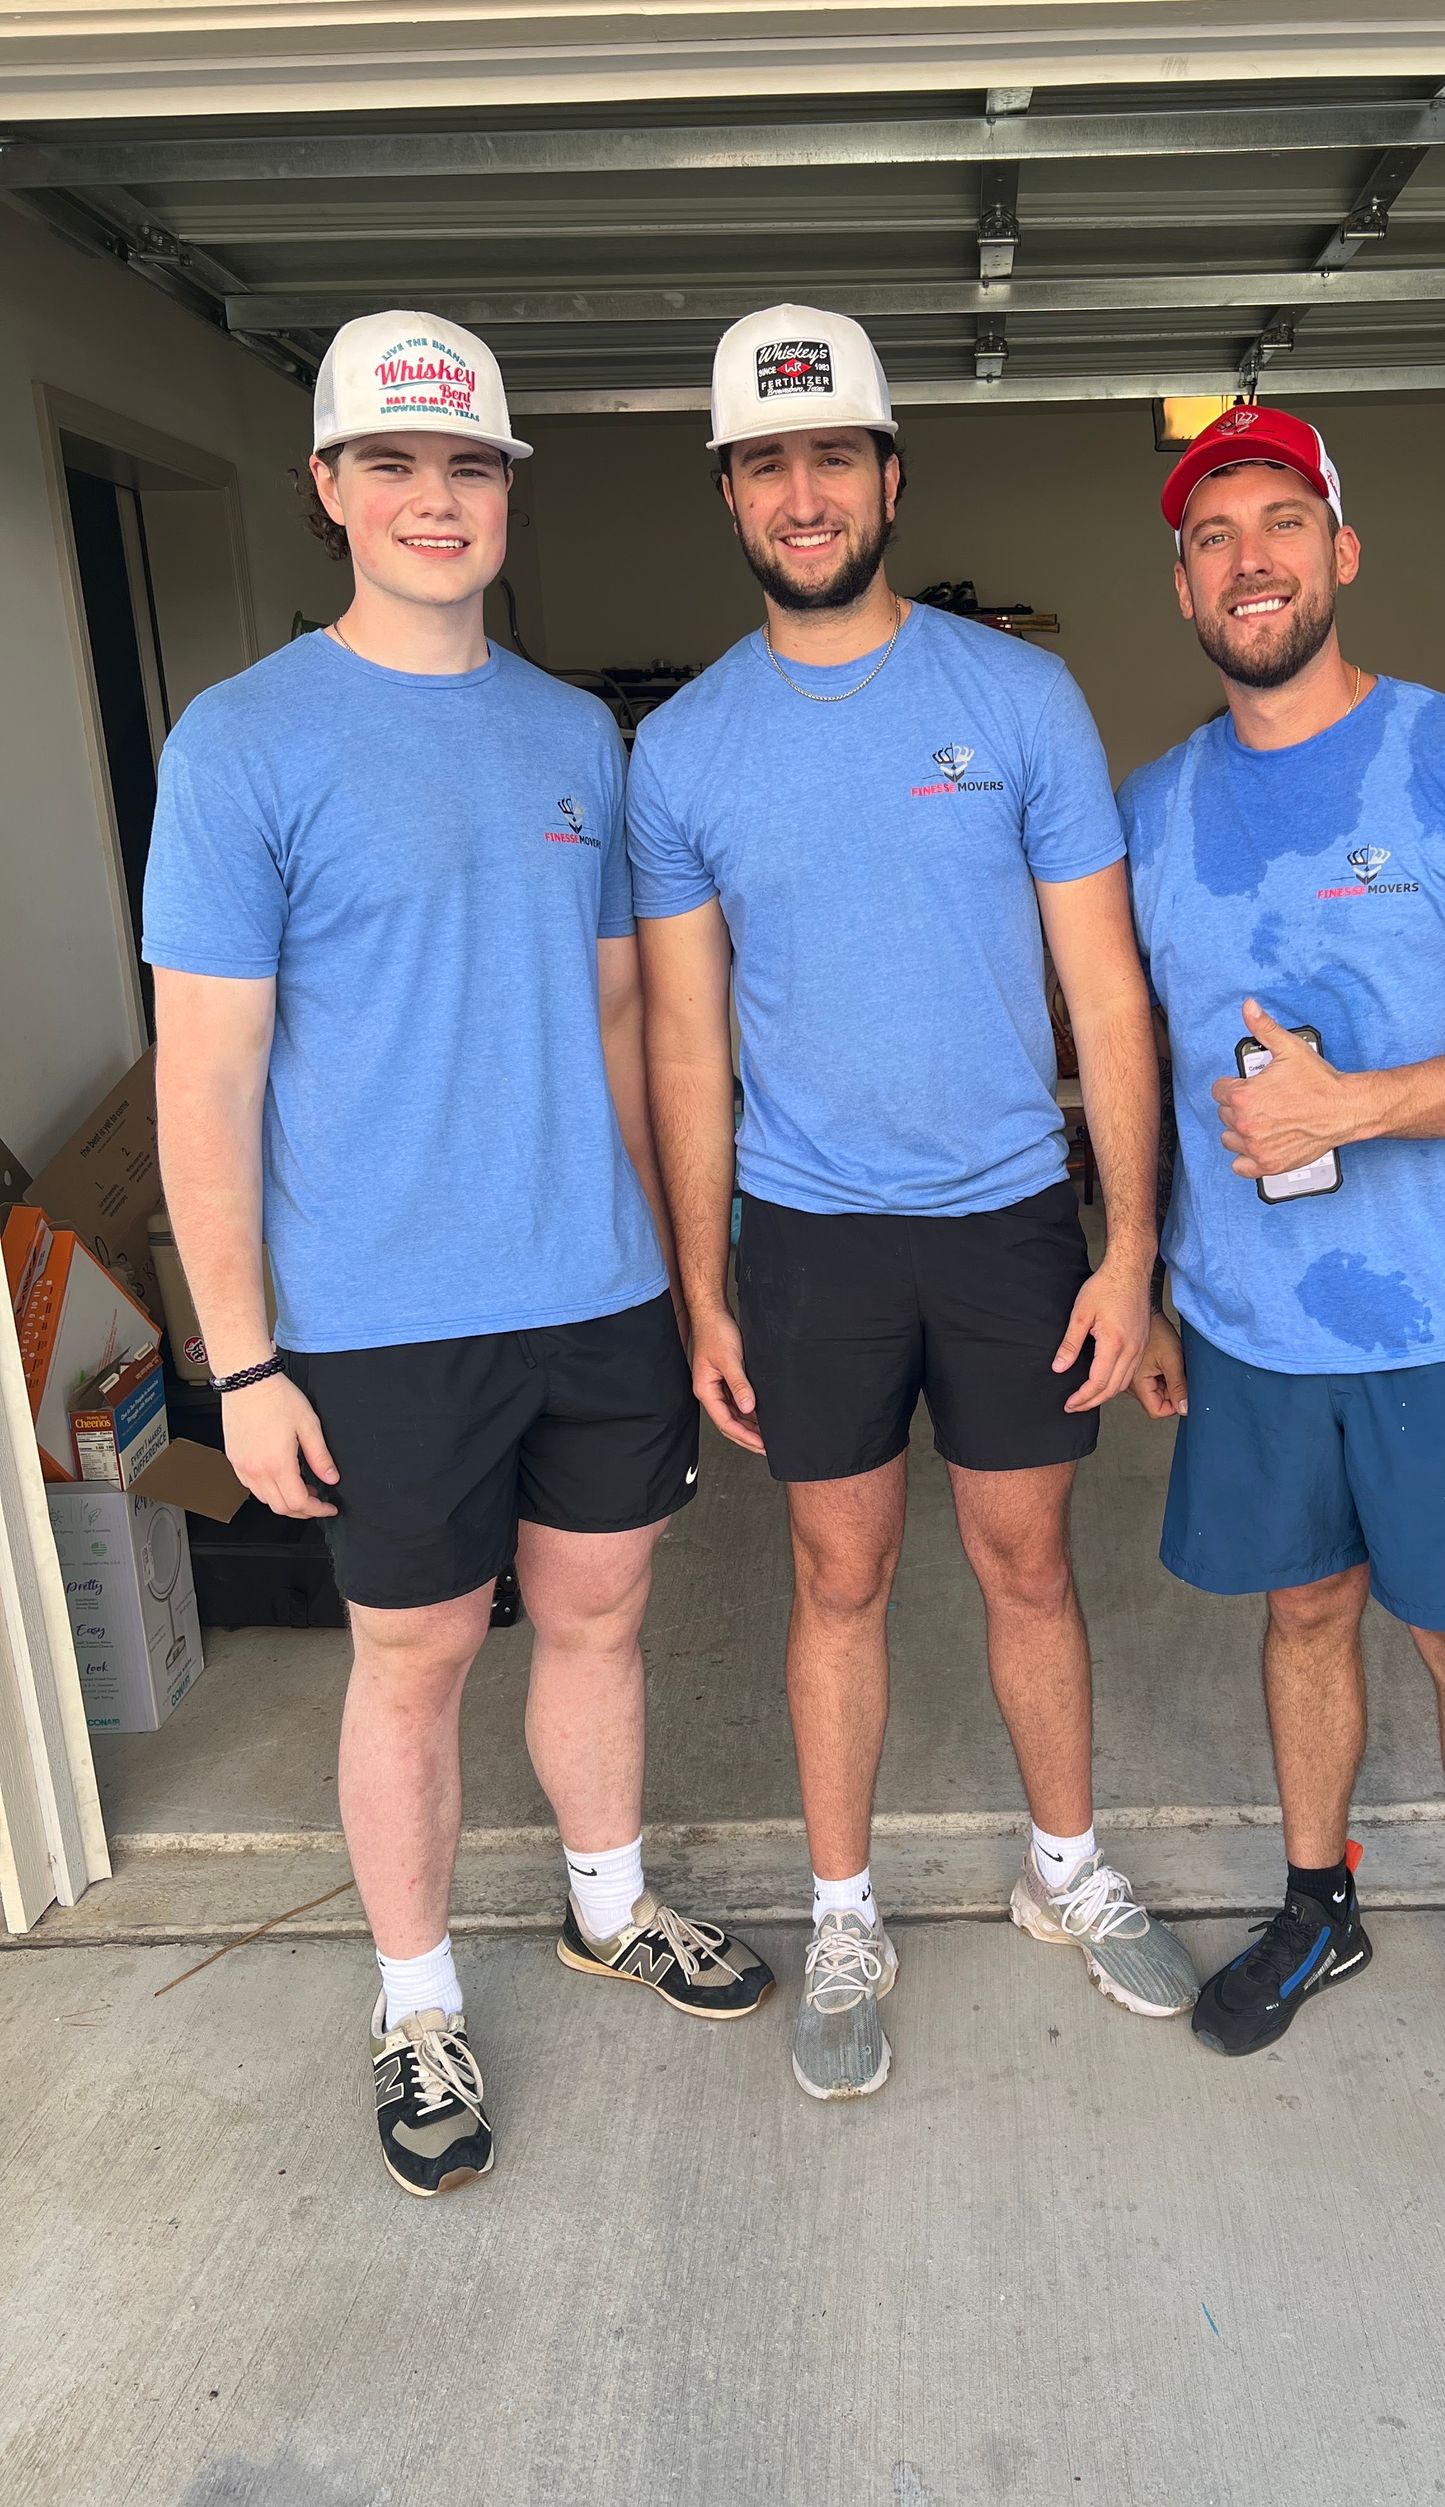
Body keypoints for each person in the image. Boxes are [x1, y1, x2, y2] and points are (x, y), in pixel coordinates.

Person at [144, 309, 771, 2200]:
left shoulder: (579, 733)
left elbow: (612, 1032)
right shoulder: (243, 739)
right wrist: (242, 1360)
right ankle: (415, 2001)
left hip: (594, 1296)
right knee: (410, 1660)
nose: (437, 501)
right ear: (328, 488)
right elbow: (209, 1072)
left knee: (598, 1619)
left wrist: (685, 1277)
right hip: (386, 1318)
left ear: (508, 494)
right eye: (396, 465)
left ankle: (606, 1900)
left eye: (470, 467)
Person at [631, 303, 1198, 2101]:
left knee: (1028, 1557)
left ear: (889, 474)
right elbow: (686, 1046)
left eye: (834, 457)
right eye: (767, 465)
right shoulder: (685, 751)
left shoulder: (1015, 697)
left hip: (1015, 1218)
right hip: (807, 1236)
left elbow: (1108, 996)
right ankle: (846, 1907)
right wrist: (703, 1286)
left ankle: (1062, 1868)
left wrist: (1129, 1246)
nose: (805, 495)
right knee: (838, 1570)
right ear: (732, 496)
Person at [1122, 404, 1445, 2141]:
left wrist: (1369, 1104)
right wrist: (1162, 1282)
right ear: (1181, 579)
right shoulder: (1155, 809)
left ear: (1341, 551)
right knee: (1304, 1610)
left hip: (1444, 1320)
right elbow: (1137, 1070)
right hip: (1252, 1323)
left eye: (1280, 522)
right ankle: (1318, 1903)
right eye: (1213, 534)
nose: (1248, 557)